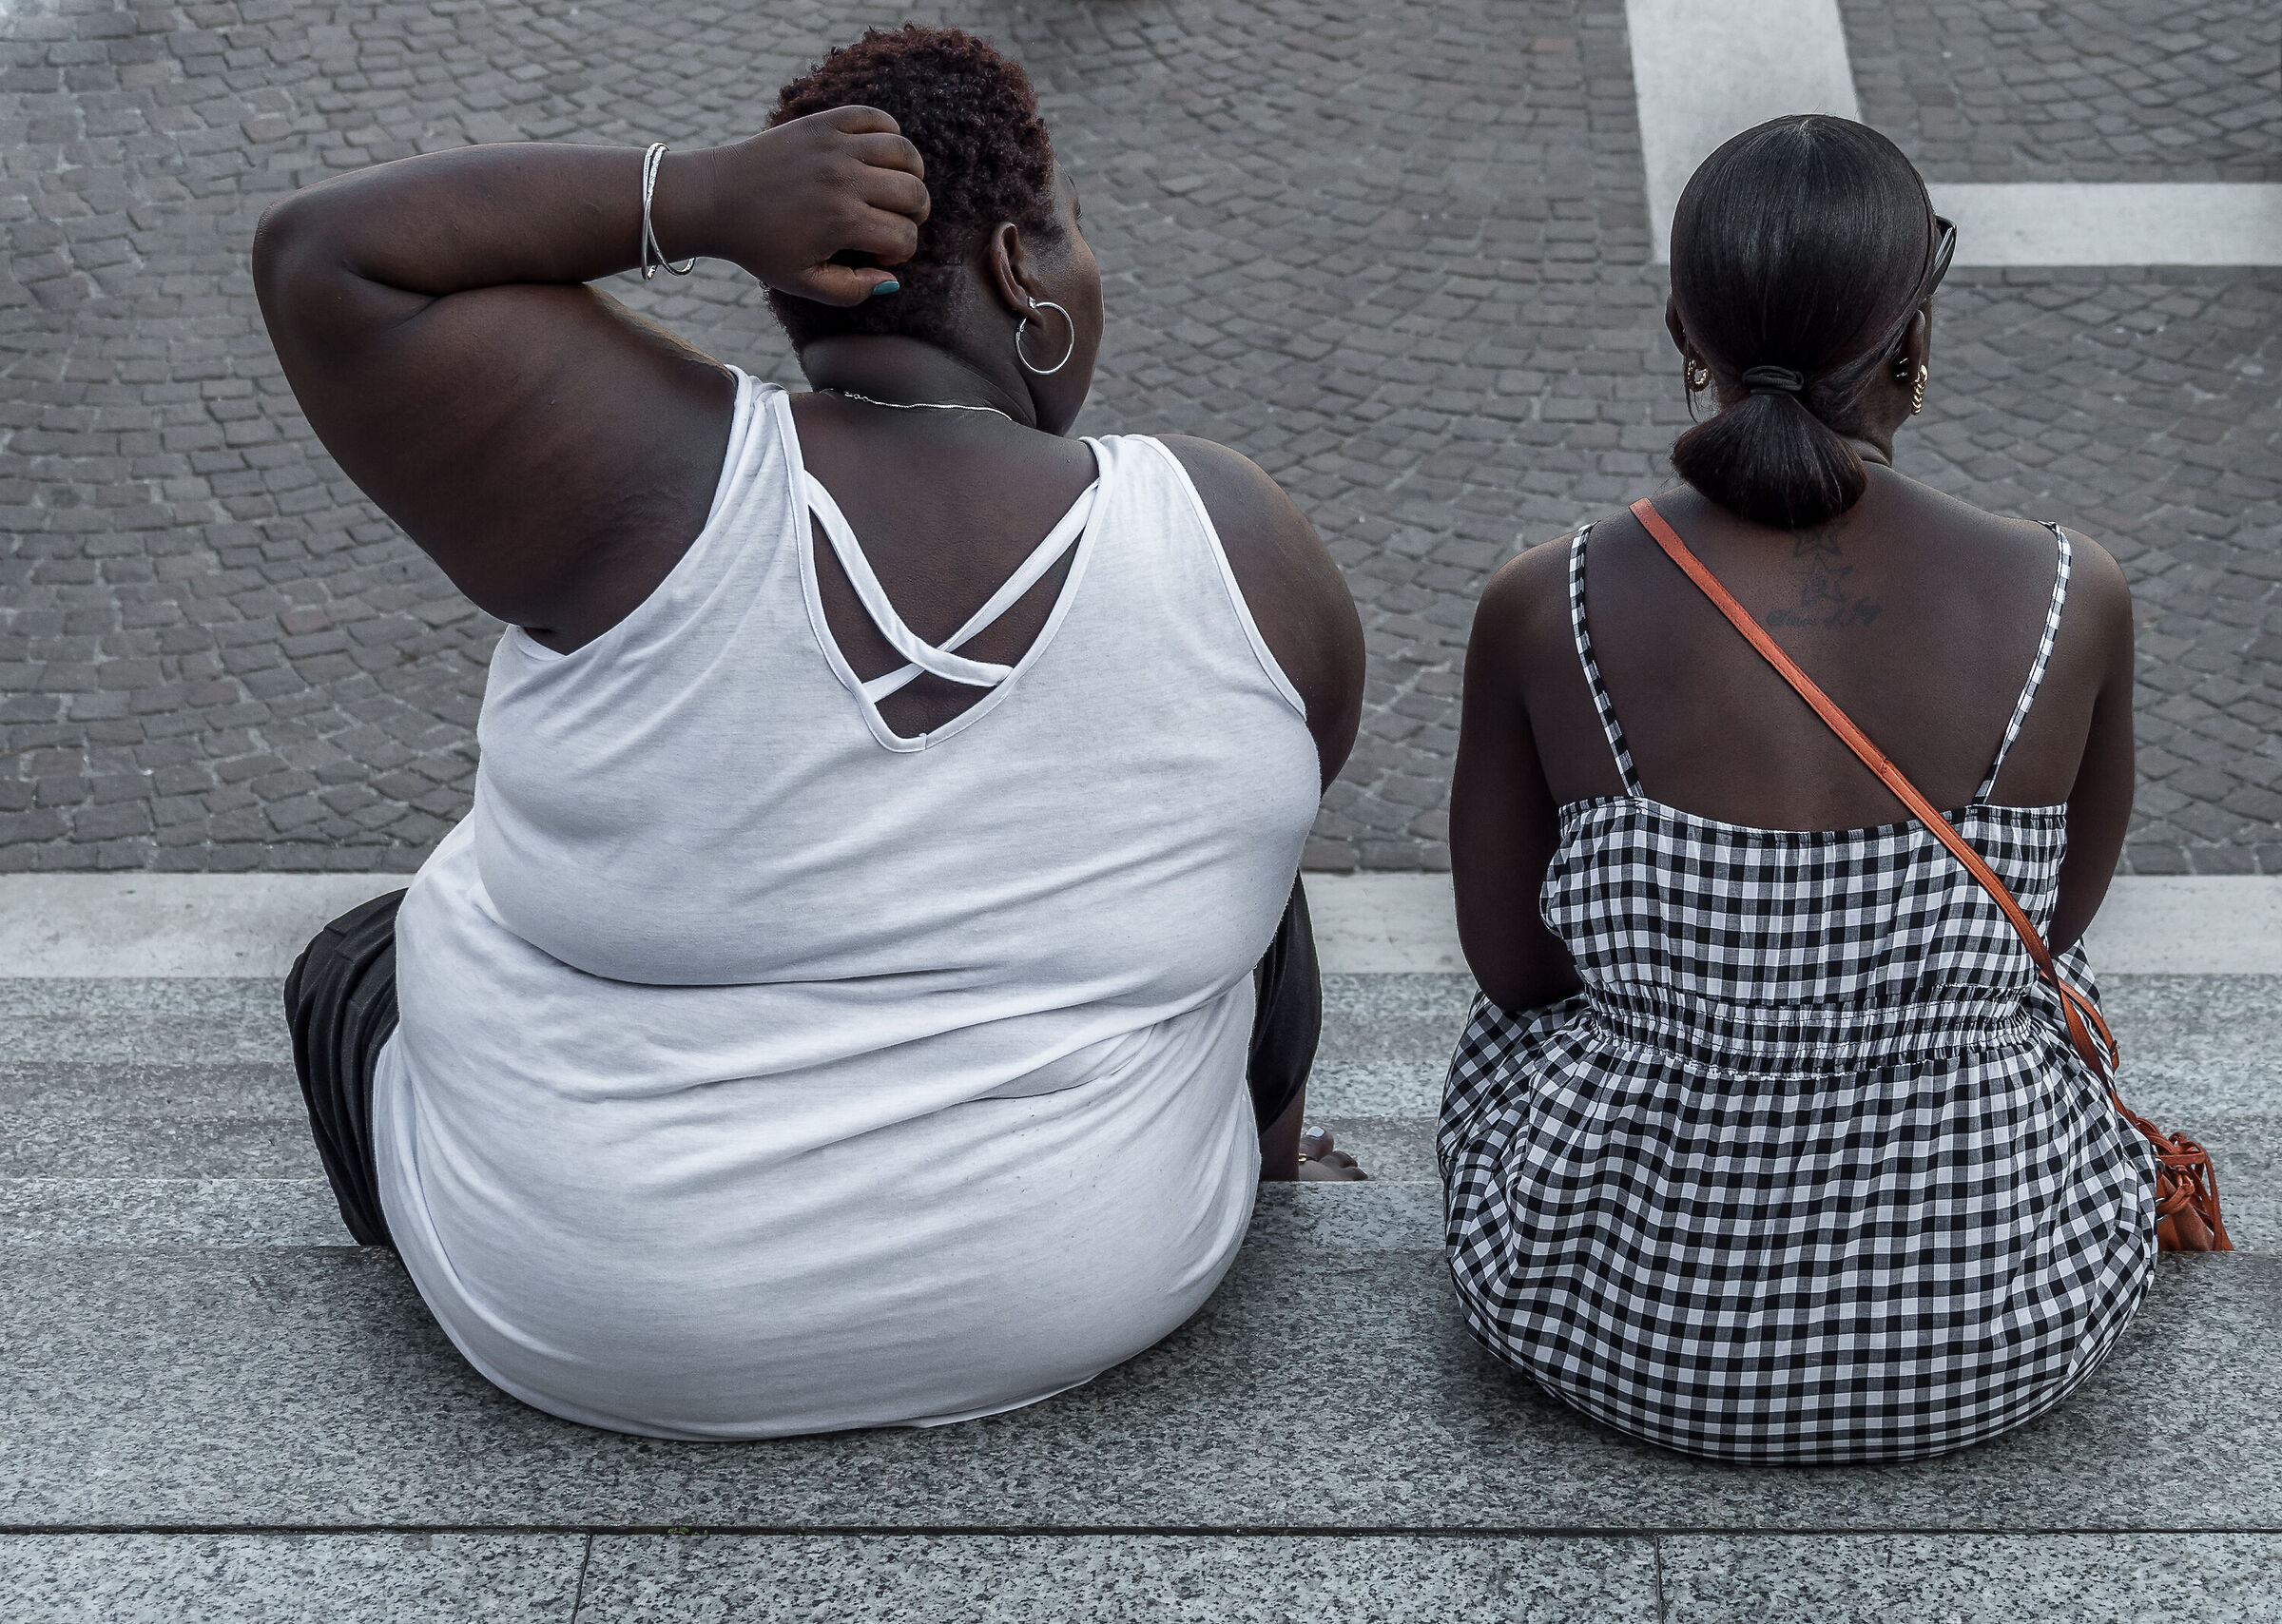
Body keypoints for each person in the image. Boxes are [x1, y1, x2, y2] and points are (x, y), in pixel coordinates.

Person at [256, 25, 1366, 1441]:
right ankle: (1271, 1183)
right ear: (1026, 272)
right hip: (1071, 1286)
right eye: (1077, 235)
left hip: (587, 1319)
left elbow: (327, 258)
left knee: (360, 956)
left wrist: (692, 199)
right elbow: (1249, 862)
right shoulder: (1238, 540)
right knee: (1251, 870)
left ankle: (448, 1219)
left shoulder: (643, 480)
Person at [1441, 115, 2156, 1463]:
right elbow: (2050, 937)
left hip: (1608, 1320)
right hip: (1993, 1334)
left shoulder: (1550, 603)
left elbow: (1521, 977)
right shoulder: (2073, 593)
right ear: (1914, 343)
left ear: (1683, 332)